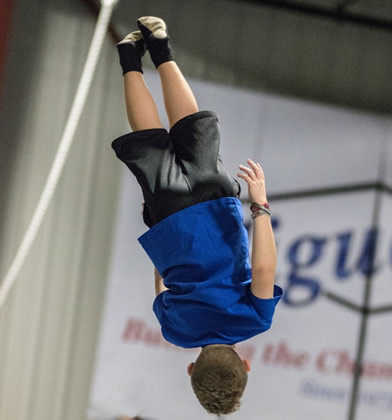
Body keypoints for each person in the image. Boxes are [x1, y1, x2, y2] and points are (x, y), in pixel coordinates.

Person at [113, 16, 283, 416]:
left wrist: (259, 206)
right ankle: (128, 57)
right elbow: (162, 283)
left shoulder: (255, 320)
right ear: (191, 367)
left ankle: (160, 46)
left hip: (217, 208)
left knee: (190, 128)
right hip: (170, 219)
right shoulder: (176, 331)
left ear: (246, 364)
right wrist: (160, 228)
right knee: (148, 139)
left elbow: (262, 270)